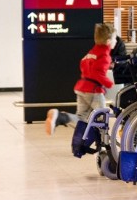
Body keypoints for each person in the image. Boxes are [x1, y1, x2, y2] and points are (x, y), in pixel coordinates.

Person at [44, 22, 116, 150]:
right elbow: (97, 73)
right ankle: (103, 145)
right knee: (101, 118)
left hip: (81, 87)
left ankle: (60, 117)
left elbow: (84, 63)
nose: (116, 41)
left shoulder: (93, 51)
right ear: (109, 41)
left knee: (81, 118)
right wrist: (110, 84)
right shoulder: (105, 55)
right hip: (93, 91)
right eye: (115, 38)